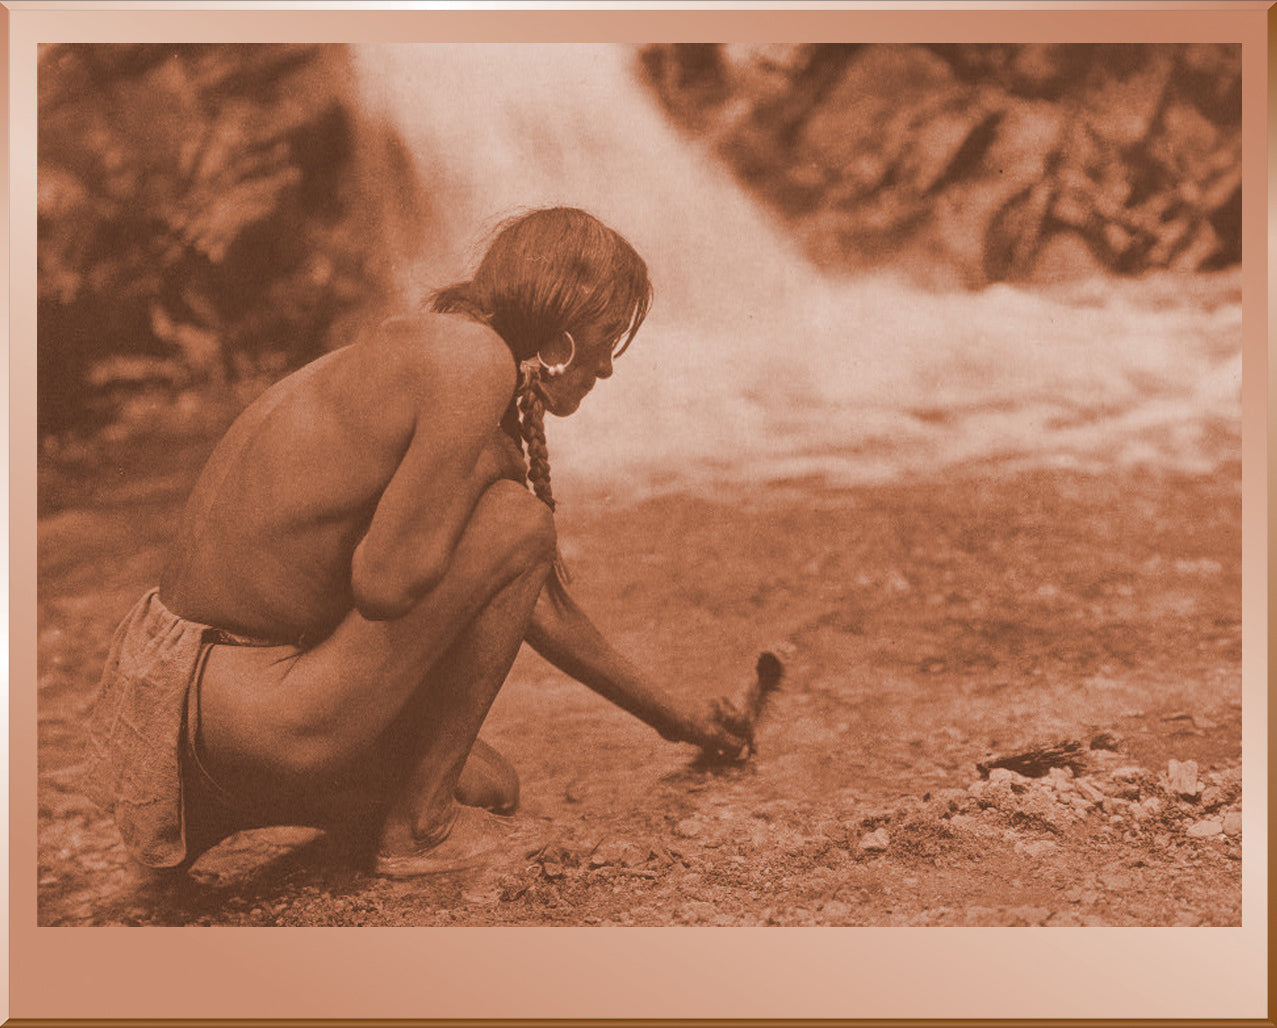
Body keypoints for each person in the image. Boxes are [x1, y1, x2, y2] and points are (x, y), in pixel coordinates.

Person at [79, 206, 750, 878]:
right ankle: (419, 832)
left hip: (175, 721)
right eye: (608, 336)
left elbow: (536, 604)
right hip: (243, 713)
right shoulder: (472, 363)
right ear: (563, 333)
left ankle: (275, 809)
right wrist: (493, 465)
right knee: (518, 521)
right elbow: (386, 581)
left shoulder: (429, 347)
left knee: (490, 785)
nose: (606, 367)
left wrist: (681, 720)